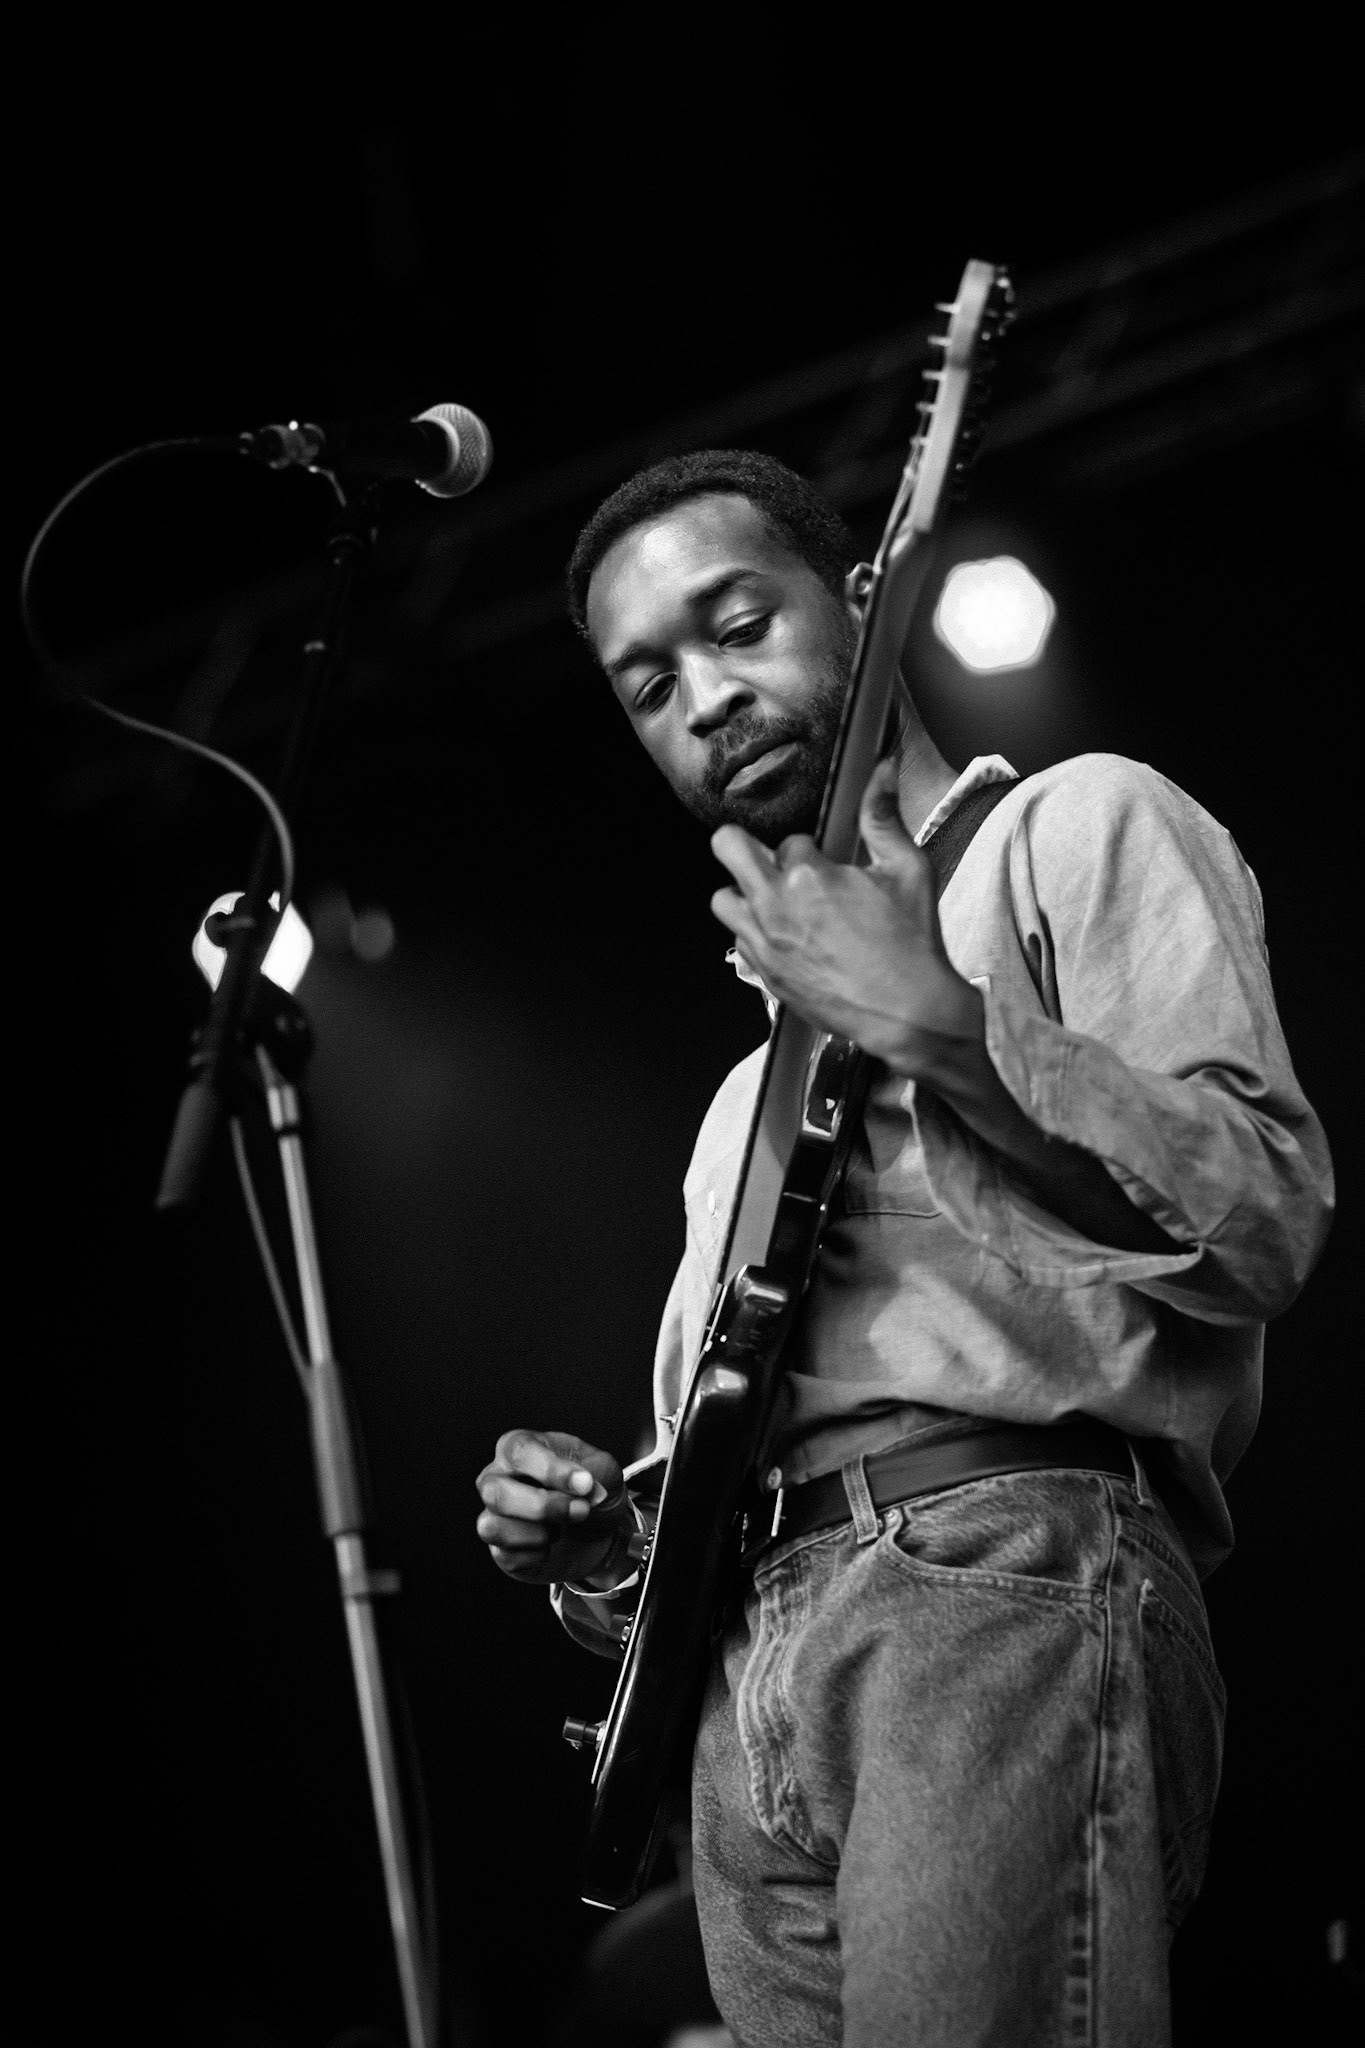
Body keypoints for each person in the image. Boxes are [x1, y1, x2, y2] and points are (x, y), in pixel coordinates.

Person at [475, 449, 1333, 2047]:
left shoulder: (1077, 827)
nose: (705, 697)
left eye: (735, 625)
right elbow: (715, 1448)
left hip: (997, 1578)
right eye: (649, 683)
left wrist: (940, 1028)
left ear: (862, 603)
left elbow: (1261, 1219)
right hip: (752, 1687)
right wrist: (601, 1547)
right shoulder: (741, 1098)